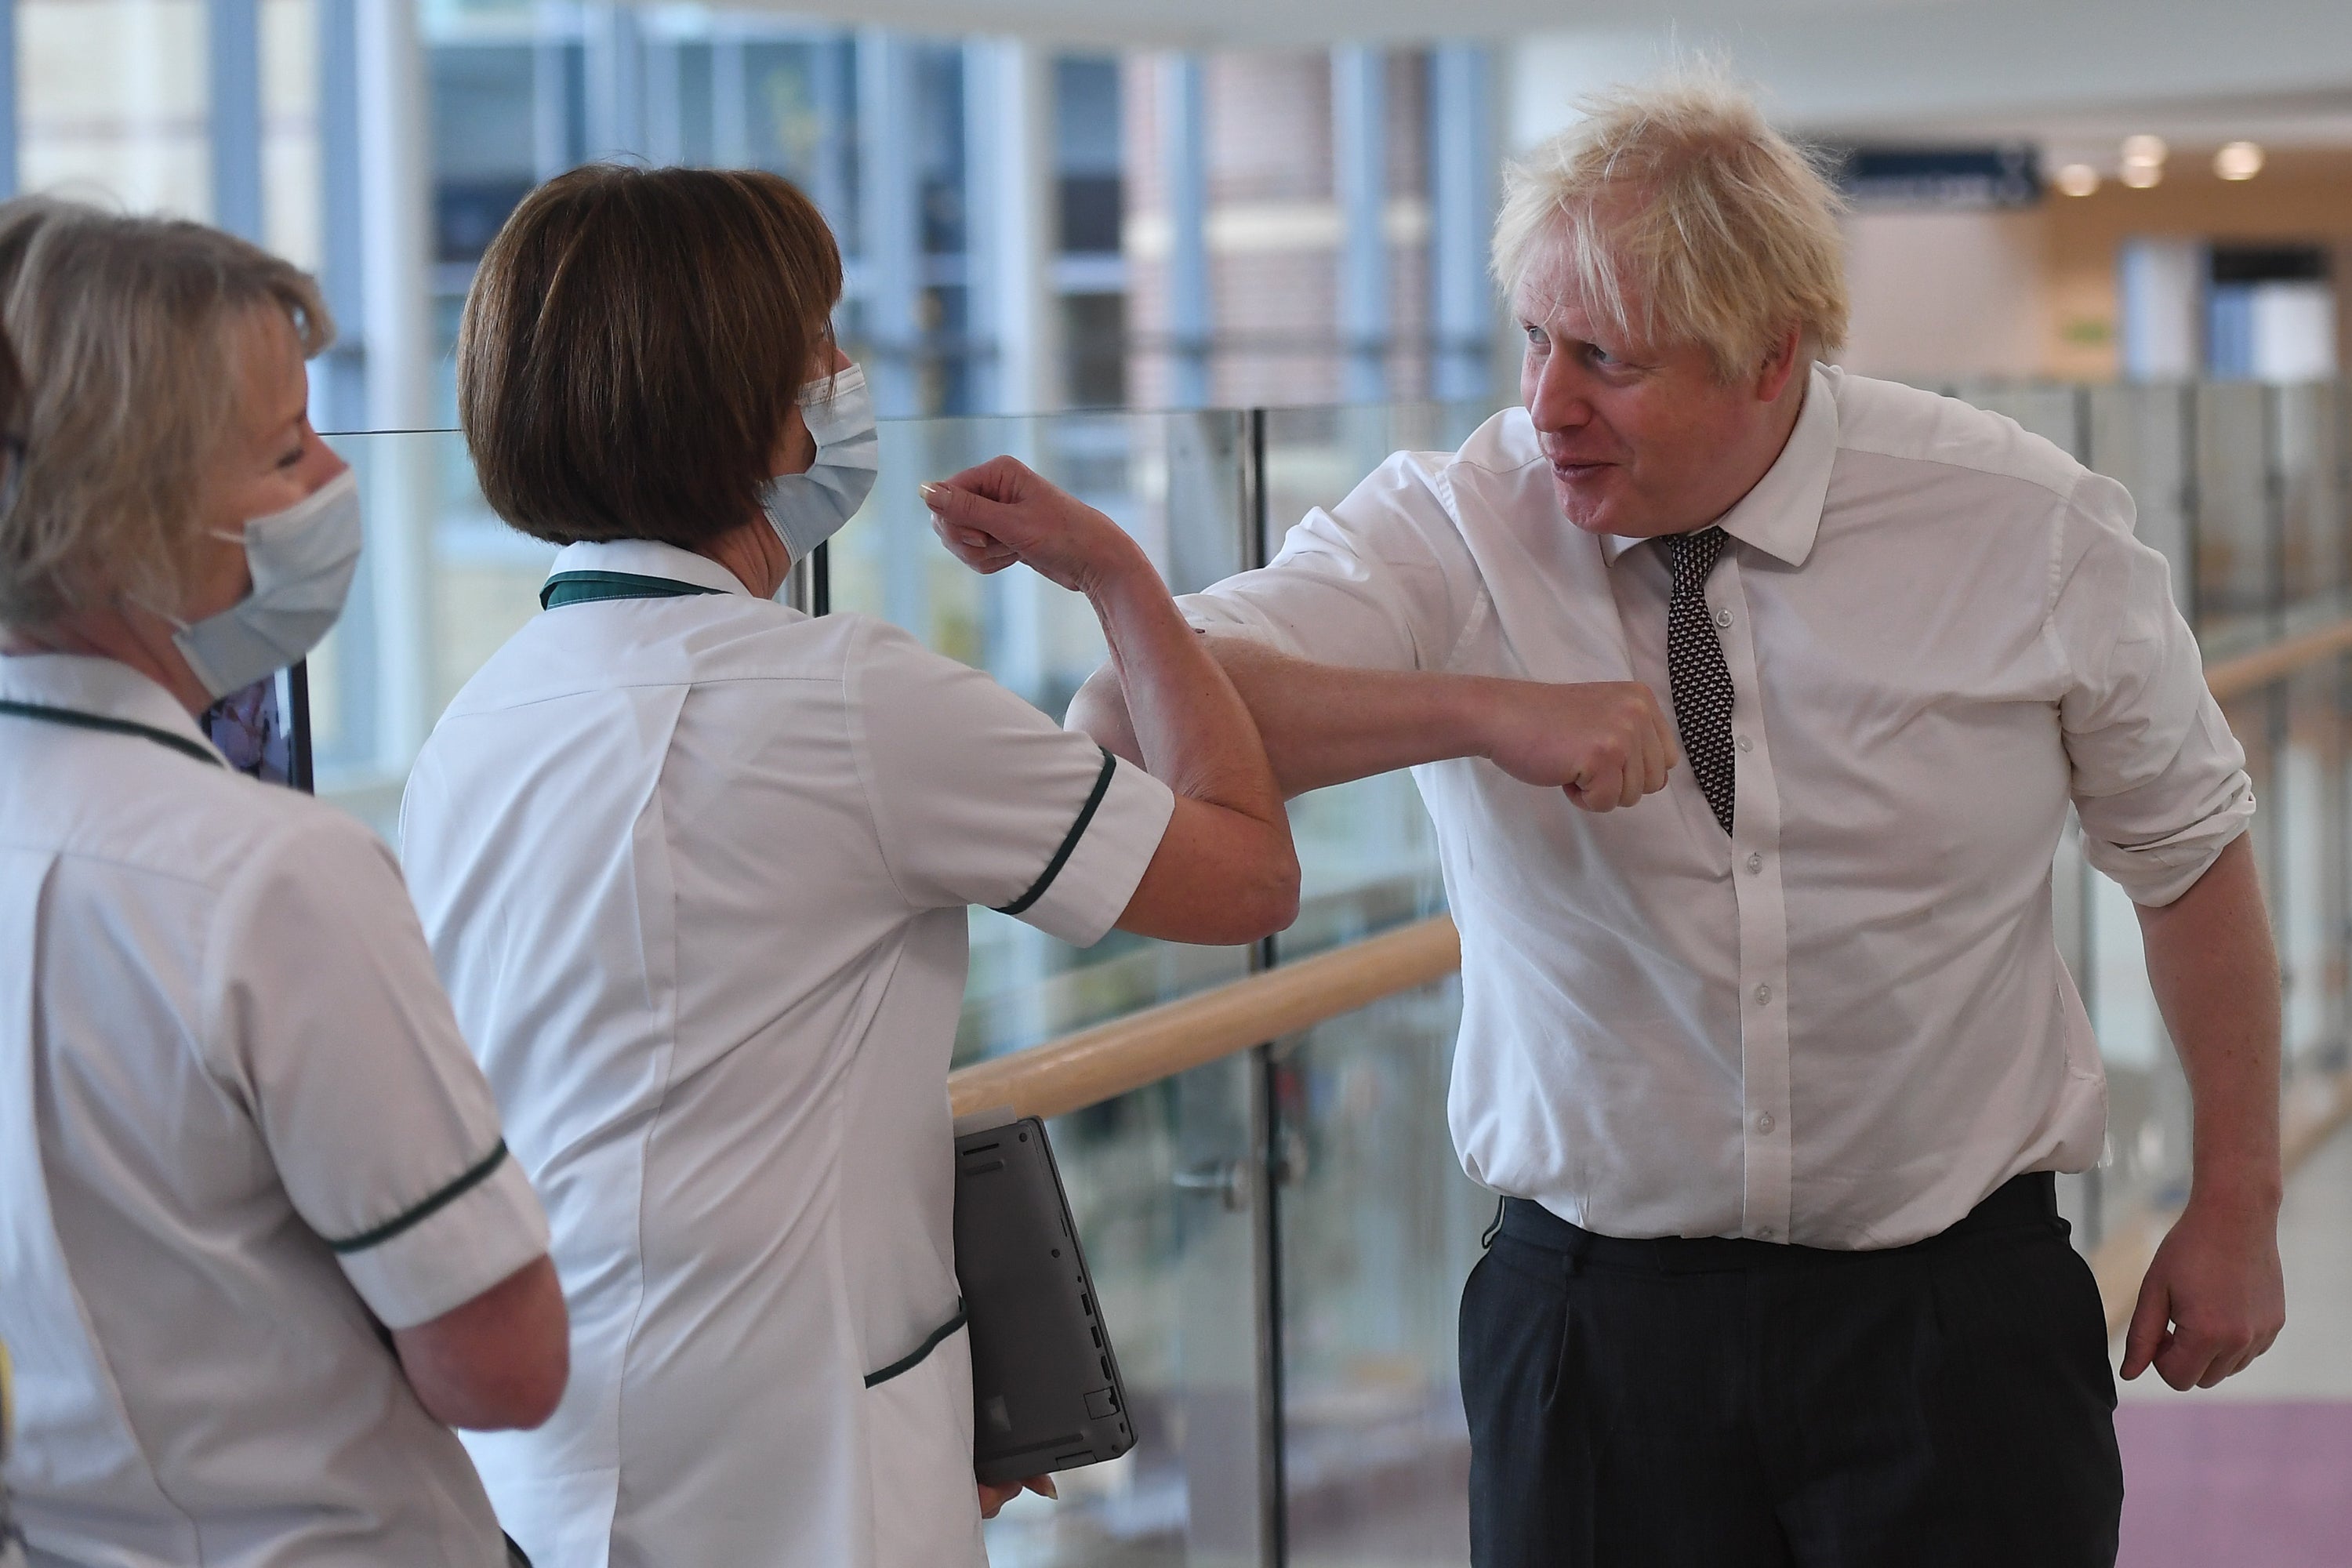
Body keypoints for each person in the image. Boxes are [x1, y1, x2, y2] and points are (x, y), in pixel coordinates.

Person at [1011, 77, 2283, 1566]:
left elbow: (2188, 856)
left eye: (1604, 359)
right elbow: (1126, 717)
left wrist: (2238, 1200)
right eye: (1536, 340)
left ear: (1769, 357)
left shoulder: (2025, 527)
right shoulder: (1454, 522)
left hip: (1954, 1315)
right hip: (1595, 1332)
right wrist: (1485, 709)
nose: (1549, 402)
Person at [397, 163, 1298, 1568]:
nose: (847, 377)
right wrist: (1117, 575)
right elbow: (1246, 877)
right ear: (744, 401)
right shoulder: (847, 701)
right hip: (786, 1464)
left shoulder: (478, 721)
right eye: (822, 346)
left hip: (546, 1455)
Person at [0, 198, 568, 1566]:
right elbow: (502, 1362)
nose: (331, 479)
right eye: (282, 448)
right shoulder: (266, 878)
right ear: (118, 513)